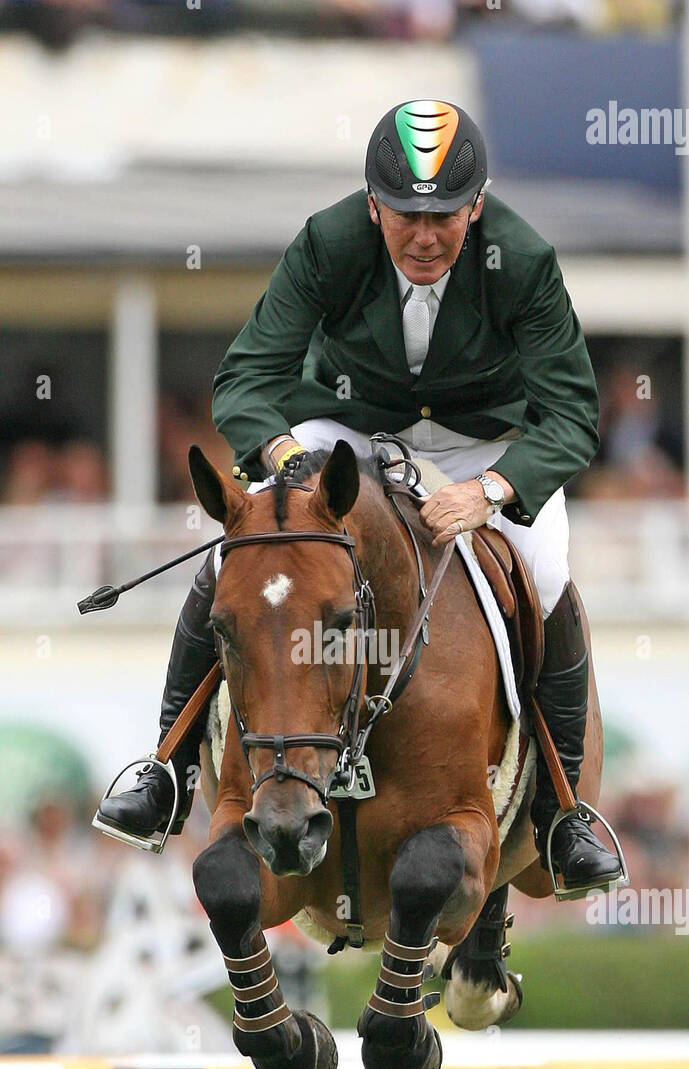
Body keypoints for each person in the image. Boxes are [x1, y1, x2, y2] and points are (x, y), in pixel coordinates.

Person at [98, 98, 622, 894]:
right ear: (373, 204)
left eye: (445, 216)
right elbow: (246, 377)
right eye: (405, 214)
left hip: (481, 442)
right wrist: (280, 458)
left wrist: (491, 490)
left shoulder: (519, 257)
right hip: (340, 430)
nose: (423, 236)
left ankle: (559, 814)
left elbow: (573, 413)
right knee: (239, 551)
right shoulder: (329, 241)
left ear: (474, 207)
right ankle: (163, 771)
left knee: (545, 575)